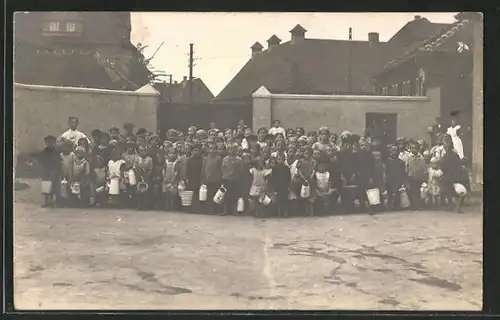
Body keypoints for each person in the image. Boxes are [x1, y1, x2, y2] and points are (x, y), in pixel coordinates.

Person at [34, 135, 62, 207]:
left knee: (53, 186)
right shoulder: (43, 152)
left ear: (54, 142)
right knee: (46, 186)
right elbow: (40, 161)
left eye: (51, 142)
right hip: (46, 170)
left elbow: (58, 162)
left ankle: (52, 201)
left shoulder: (56, 152)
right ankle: (46, 201)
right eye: (48, 142)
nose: (50, 143)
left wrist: (56, 171)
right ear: (46, 143)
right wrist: (43, 169)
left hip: (54, 171)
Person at [403, 141, 427, 209]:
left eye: (416, 148)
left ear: (418, 149)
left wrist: (423, 176)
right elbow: (406, 166)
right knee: (411, 191)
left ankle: (418, 204)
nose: (414, 150)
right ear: (410, 149)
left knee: (417, 191)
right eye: (413, 148)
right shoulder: (407, 157)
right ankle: (412, 204)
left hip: (418, 176)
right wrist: (406, 175)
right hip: (410, 176)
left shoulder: (421, 157)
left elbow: (423, 167)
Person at [201, 143, 223, 214]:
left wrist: (220, 179)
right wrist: (203, 178)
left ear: (216, 150)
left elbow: (220, 169)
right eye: (210, 148)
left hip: (216, 180)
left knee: (216, 195)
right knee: (209, 195)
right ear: (208, 149)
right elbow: (203, 169)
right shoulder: (205, 159)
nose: (212, 150)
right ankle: (208, 209)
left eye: (214, 149)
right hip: (208, 179)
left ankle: (215, 210)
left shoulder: (218, 159)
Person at [221, 144, 243, 215]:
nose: (232, 151)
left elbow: (241, 170)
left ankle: (234, 210)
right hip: (226, 179)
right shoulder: (225, 159)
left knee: (234, 195)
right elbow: (222, 169)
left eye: (233, 149)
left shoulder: (239, 159)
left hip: (235, 179)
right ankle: (225, 210)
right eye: (230, 149)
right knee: (225, 195)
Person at [269, 153, 291, 217]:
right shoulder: (274, 169)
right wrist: (274, 188)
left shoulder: (287, 168)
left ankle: (285, 213)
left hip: (284, 186)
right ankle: (279, 213)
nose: (280, 161)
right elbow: (273, 179)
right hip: (277, 186)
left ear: (284, 160)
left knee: (285, 200)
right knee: (278, 200)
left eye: (281, 159)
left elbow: (289, 178)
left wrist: (288, 186)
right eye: (278, 159)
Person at [186, 144, 204, 213]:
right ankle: (191, 208)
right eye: (194, 150)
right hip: (191, 178)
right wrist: (187, 178)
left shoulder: (202, 160)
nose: (196, 152)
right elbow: (187, 170)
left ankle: (198, 209)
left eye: (197, 151)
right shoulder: (190, 160)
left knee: (198, 194)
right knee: (191, 194)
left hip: (198, 178)